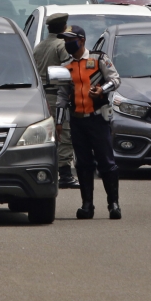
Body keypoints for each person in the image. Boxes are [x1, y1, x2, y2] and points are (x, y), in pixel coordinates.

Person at [55, 25, 122, 220]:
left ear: (82, 40)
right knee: (83, 164)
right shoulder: (65, 66)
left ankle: (113, 204)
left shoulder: (99, 59)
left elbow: (115, 79)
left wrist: (102, 89)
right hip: (77, 121)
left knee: (106, 162)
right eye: (65, 40)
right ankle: (87, 205)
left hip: (98, 119)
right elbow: (61, 95)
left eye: (70, 40)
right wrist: (58, 123)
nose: (67, 44)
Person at [33, 13, 79, 189]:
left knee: (46, 135)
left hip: (41, 97)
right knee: (64, 134)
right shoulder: (62, 45)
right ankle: (65, 174)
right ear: (63, 28)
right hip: (57, 95)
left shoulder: (39, 46)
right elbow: (70, 72)